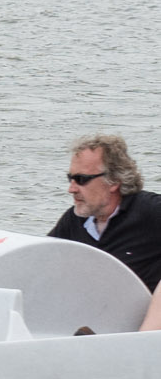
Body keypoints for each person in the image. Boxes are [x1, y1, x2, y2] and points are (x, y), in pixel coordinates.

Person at [50, 138, 161, 322]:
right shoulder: (74, 220)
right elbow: (42, 259)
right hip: (92, 322)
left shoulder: (150, 211)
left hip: (144, 331)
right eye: (70, 178)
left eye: (81, 179)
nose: (71, 189)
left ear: (114, 182)